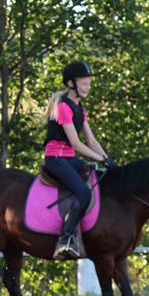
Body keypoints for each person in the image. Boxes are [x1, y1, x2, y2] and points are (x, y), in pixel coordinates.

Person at [43, 60, 114, 260]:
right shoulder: (63, 107)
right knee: (83, 192)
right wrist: (100, 158)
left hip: (69, 159)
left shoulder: (80, 109)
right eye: (84, 83)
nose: (87, 88)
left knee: (99, 177)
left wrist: (108, 160)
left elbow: (91, 140)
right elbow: (76, 143)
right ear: (71, 84)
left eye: (89, 84)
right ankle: (65, 240)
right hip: (56, 158)